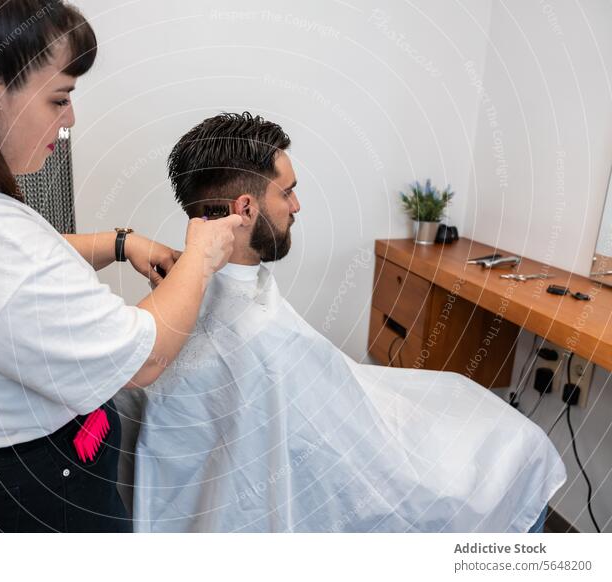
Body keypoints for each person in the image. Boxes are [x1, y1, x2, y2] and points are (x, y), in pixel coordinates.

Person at [0, 0, 241, 532]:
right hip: (34, 497)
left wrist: (117, 244)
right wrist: (202, 255)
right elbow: (144, 358)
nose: (70, 119)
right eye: (59, 98)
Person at [118, 112, 566, 532]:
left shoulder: (180, 299)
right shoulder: (252, 335)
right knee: (516, 451)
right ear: (246, 208)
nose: (297, 205)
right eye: (287, 191)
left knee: (472, 411)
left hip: (361, 417)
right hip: (376, 457)